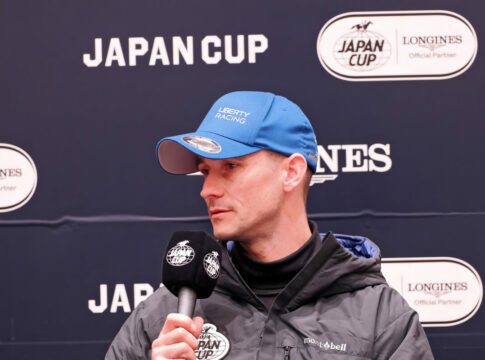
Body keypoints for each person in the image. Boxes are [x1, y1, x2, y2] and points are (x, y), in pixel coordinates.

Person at [106, 91, 434, 360]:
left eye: (231, 166)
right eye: (205, 171)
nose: (207, 190)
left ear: (291, 172)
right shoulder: (166, 314)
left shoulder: (380, 318)